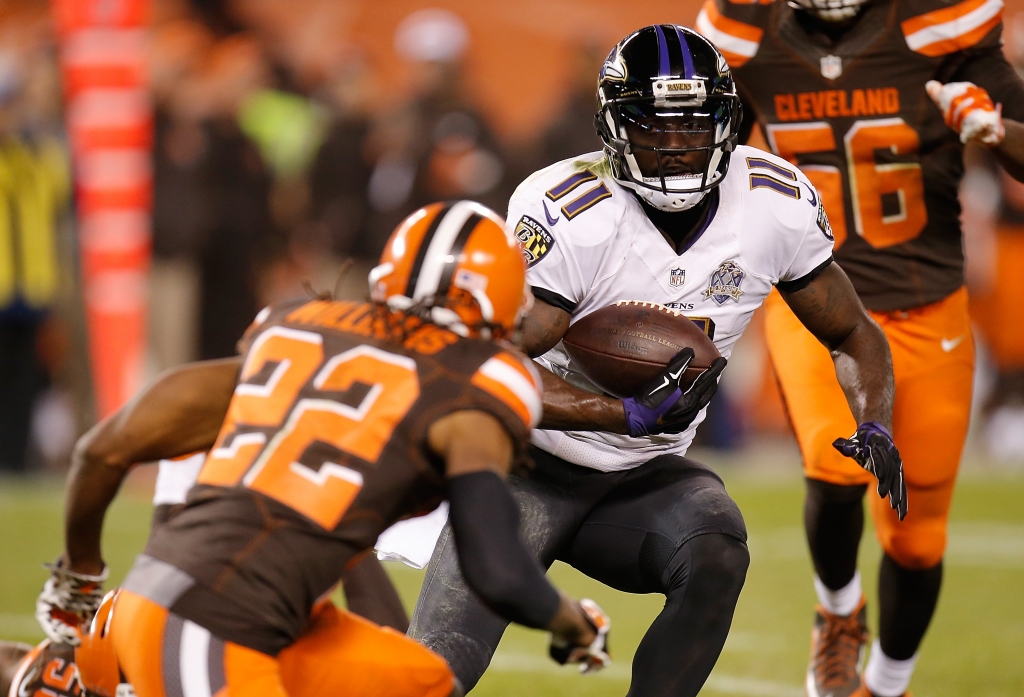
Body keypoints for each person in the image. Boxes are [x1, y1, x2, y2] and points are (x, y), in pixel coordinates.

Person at [407, 25, 904, 697]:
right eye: (653, 124)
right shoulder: (569, 212)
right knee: (434, 672)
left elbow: (853, 332)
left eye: (694, 124)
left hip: (638, 481)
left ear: (727, 123)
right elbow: (486, 367)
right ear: (616, 126)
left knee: (716, 543)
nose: (675, 143)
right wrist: (620, 411)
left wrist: (875, 420)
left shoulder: (771, 204)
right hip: (519, 466)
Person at [68, 201, 610, 697]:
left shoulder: (299, 331)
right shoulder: (475, 388)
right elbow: (497, 569)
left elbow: (101, 450)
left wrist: (78, 576)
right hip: (204, 623)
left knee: (420, 683)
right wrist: (574, 624)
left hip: (240, 610)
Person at [695, 0, 1024, 695]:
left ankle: (888, 682)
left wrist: (993, 130)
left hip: (928, 302)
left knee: (916, 534)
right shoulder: (745, 34)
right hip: (818, 297)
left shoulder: (938, 27)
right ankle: (839, 612)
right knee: (836, 462)